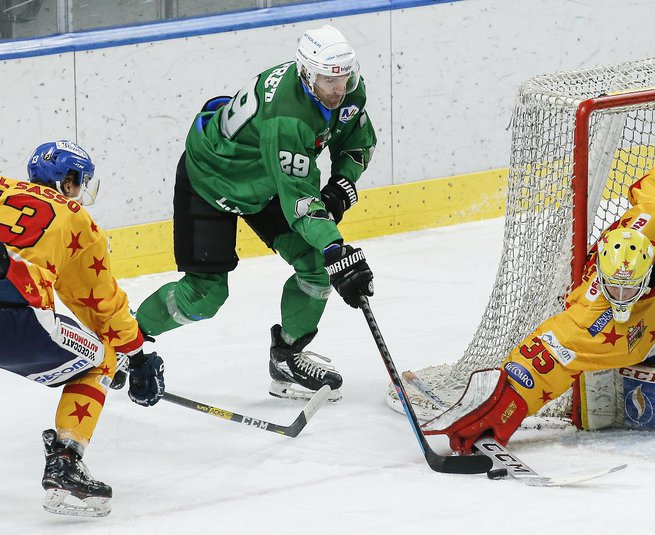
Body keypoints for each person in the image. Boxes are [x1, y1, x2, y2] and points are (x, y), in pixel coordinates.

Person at [423, 152, 655, 452]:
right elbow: (541, 359)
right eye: (611, 289)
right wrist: (506, 406)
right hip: (646, 345)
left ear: (649, 269)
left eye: (627, 290)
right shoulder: (592, 316)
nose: (618, 298)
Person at [133, 24, 377, 402]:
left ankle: (287, 358)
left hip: (265, 181)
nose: (337, 89)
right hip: (213, 179)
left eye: (343, 78)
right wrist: (335, 249)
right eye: (329, 80)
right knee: (204, 296)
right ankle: (122, 339)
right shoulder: (288, 120)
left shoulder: (346, 91)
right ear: (306, 74)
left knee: (314, 265)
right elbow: (300, 203)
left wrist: (342, 185)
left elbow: (356, 141)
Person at [0, 140, 165, 517]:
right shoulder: (76, 219)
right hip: (14, 318)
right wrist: (136, 356)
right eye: (77, 182)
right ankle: (66, 458)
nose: (78, 192)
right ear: (66, 182)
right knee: (100, 358)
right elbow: (101, 305)